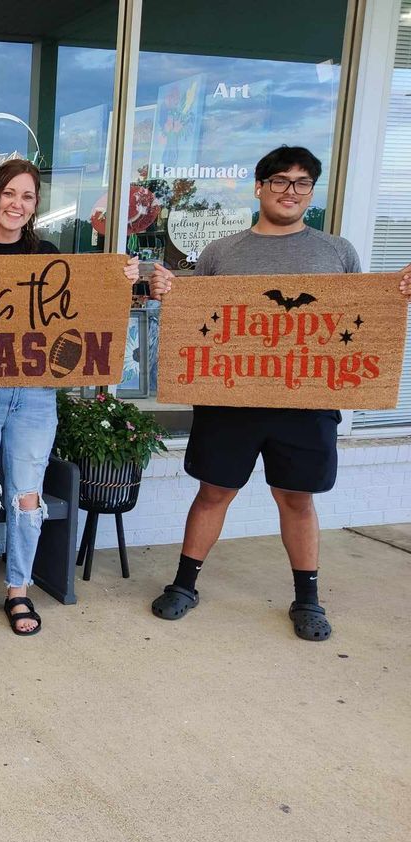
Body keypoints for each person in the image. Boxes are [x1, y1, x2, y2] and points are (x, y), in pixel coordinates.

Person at [147, 145, 411, 641]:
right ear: (259, 187)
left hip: (307, 402)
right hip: (230, 398)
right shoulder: (221, 253)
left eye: (302, 182)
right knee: (213, 492)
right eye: (280, 181)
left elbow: (364, 315)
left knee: (296, 499)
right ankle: (184, 584)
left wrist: (396, 296)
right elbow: (195, 320)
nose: (290, 191)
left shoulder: (337, 251)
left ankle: (307, 598)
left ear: (311, 191)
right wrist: (165, 293)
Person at [0, 158, 138, 639]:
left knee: (26, 499)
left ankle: (18, 588)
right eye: (9, 193)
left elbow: (88, 303)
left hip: (34, 397)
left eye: (28, 197)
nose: (17, 204)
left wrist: (121, 281)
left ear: (35, 206)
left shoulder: (50, 257)